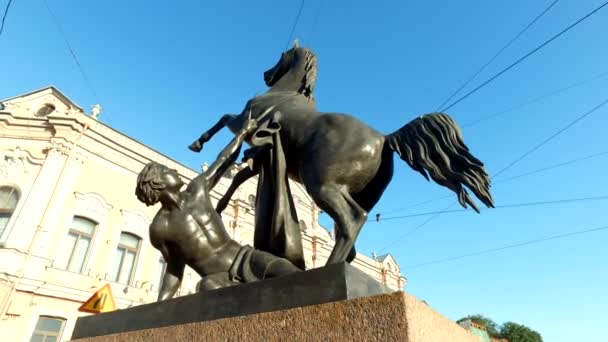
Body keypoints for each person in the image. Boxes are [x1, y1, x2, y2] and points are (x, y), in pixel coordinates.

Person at [135, 119, 300, 301]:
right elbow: (174, 268)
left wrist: (242, 133)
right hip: (219, 280)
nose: (173, 169)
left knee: (290, 274)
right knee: (207, 286)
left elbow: (223, 161)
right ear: (157, 182)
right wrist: (161, 304)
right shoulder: (160, 228)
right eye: (166, 171)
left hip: (245, 258)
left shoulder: (197, 190)